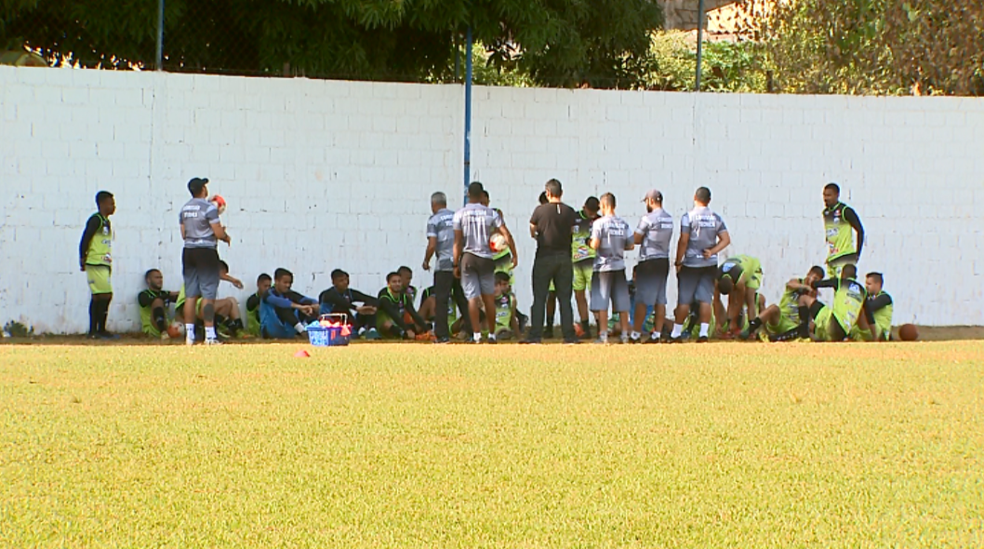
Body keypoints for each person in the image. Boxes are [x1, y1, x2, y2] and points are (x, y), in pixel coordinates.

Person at [454, 182, 517, 344]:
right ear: (482, 195)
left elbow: (457, 242)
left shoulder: (460, 214)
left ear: (468, 194)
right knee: (488, 297)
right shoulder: (491, 213)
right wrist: (514, 254)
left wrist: (455, 263)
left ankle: (476, 335)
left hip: (468, 257)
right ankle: (491, 334)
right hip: (486, 258)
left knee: (472, 298)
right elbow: (506, 235)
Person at [669, 187, 730, 343]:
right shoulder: (716, 218)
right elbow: (726, 239)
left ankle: (676, 333)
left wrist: (678, 260)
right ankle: (703, 333)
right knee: (705, 299)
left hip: (691, 263)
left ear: (694, 197)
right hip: (709, 263)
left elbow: (683, 240)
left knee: (684, 299)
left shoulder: (688, 217)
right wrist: (713, 251)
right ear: (709, 200)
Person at [525, 178, 578, 344]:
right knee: (565, 299)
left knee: (540, 297)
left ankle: (535, 335)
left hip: (544, 256)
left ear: (547, 193)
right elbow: (573, 231)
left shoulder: (539, 211)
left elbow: (532, 230)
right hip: (564, 257)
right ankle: (569, 335)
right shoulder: (570, 211)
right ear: (561, 193)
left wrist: (538, 236)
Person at [179, 177, 230, 345]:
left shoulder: (184, 209)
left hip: (188, 251)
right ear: (203, 189)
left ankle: (189, 336)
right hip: (206, 252)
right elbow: (218, 233)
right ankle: (210, 335)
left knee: (190, 295)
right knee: (208, 294)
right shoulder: (209, 208)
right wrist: (225, 236)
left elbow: (183, 234)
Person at [422, 191, 472, 343]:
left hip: (443, 265)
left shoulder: (434, 220)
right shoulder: (457, 216)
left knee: (442, 300)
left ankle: (442, 335)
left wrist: (426, 260)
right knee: (462, 298)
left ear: (433, 205)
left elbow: (432, 245)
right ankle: (472, 332)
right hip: (459, 263)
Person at [589, 193, 634, 344]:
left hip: (602, 266)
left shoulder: (599, 223)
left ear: (603, 205)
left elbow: (595, 244)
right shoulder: (623, 223)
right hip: (619, 266)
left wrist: (589, 243)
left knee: (602, 301)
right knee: (622, 302)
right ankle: (625, 335)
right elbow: (631, 245)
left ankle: (603, 335)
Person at [631, 189, 673, 343]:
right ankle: (657, 334)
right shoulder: (669, 218)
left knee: (642, 299)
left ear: (651, 201)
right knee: (660, 299)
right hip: (664, 260)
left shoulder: (648, 218)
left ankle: (636, 334)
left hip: (649, 261)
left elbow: (636, 238)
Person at [742, 266, 824, 341]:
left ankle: (776, 338)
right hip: (781, 318)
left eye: (817, 281)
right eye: (814, 278)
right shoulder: (797, 281)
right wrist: (806, 287)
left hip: (793, 324)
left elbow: (809, 311)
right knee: (773, 308)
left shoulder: (813, 293)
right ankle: (751, 328)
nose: (814, 282)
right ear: (809, 274)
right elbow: (790, 284)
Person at [174, 260, 246, 339]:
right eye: (224, 273)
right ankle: (210, 330)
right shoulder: (203, 274)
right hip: (186, 309)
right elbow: (217, 274)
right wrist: (232, 280)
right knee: (227, 303)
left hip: (197, 306)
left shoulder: (206, 277)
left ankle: (239, 329)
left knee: (231, 300)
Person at [79, 190, 117, 339]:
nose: (113, 206)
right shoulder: (96, 220)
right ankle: (97, 330)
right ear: (102, 204)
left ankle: (96, 330)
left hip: (103, 262)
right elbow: (85, 238)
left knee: (99, 296)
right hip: (95, 262)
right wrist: (82, 257)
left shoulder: (107, 222)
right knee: (105, 295)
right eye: (110, 203)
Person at [799, 264, 870, 342]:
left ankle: (804, 334)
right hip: (842, 333)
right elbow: (869, 317)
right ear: (855, 277)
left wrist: (811, 283)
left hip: (832, 323)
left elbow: (818, 284)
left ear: (842, 275)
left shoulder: (839, 282)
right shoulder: (863, 292)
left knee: (803, 299)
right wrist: (872, 337)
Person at [319, 269, 381, 339]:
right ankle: (359, 330)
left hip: (348, 320)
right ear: (334, 282)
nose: (345, 282)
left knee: (370, 304)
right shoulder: (327, 294)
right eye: (341, 281)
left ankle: (372, 330)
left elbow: (371, 299)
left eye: (346, 280)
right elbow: (341, 302)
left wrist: (373, 308)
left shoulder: (349, 292)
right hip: (332, 323)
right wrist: (357, 308)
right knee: (341, 308)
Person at [260, 268, 319, 339]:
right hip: (270, 330)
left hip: (286, 330)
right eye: (285, 283)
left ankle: (316, 328)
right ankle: (302, 331)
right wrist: (300, 307)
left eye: (290, 283)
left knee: (307, 305)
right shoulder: (268, 294)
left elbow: (305, 299)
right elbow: (280, 302)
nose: (288, 285)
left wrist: (315, 304)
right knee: (284, 306)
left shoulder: (289, 293)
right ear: (276, 281)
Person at [571, 197, 601, 338]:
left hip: (593, 262)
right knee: (579, 295)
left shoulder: (600, 220)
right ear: (584, 207)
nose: (592, 215)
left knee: (595, 295)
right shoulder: (573, 218)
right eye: (590, 212)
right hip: (575, 262)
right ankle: (585, 328)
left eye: (595, 212)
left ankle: (600, 327)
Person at [715, 254, 764, 338]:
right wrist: (717, 322)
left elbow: (739, 302)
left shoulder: (740, 282)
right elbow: (716, 301)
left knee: (749, 298)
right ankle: (730, 328)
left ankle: (752, 330)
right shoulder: (716, 279)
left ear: (733, 284)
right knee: (732, 297)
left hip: (753, 267)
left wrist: (734, 321)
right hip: (740, 265)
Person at [822, 182, 865, 277]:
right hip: (832, 257)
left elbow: (860, 230)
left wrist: (857, 253)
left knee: (843, 284)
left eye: (829, 195)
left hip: (845, 255)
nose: (826, 198)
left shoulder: (845, 211)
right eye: (824, 195)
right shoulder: (826, 213)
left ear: (837, 195)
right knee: (834, 285)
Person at [376, 272, 429, 339]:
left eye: (399, 281)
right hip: (386, 326)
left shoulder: (403, 296)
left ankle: (409, 335)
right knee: (387, 324)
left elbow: (413, 313)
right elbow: (393, 315)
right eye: (394, 282)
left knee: (425, 323)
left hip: (400, 325)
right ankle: (406, 335)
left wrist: (427, 329)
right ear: (388, 284)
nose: (397, 284)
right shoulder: (384, 296)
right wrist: (407, 329)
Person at [138, 269, 179, 340]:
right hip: (153, 328)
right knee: (157, 301)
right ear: (148, 280)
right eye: (157, 278)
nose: (160, 280)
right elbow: (153, 300)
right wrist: (168, 295)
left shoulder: (164, 293)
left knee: (186, 301)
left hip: (169, 327)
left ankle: (195, 330)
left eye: (161, 278)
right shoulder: (144, 294)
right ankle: (163, 332)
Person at [861, 272, 893, 341]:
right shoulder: (868, 297)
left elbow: (870, 307)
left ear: (878, 285)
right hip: (868, 328)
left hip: (880, 331)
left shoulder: (885, 297)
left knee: (861, 310)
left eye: (869, 284)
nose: (866, 286)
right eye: (866, 283)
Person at [492, 271, 520, 340]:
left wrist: (519, 337)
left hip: (504, 330)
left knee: (504, 331)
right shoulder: (484, 300)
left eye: (496, 286)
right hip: (489, 331)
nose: (494, 289)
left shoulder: (511, 299)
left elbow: (513, 319)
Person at [245, 273, 272, 337]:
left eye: (269, 286)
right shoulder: (253, 300)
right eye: (265, 286)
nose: (267, 289)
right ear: (258, 284)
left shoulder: (270, 298)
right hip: (255, 332)